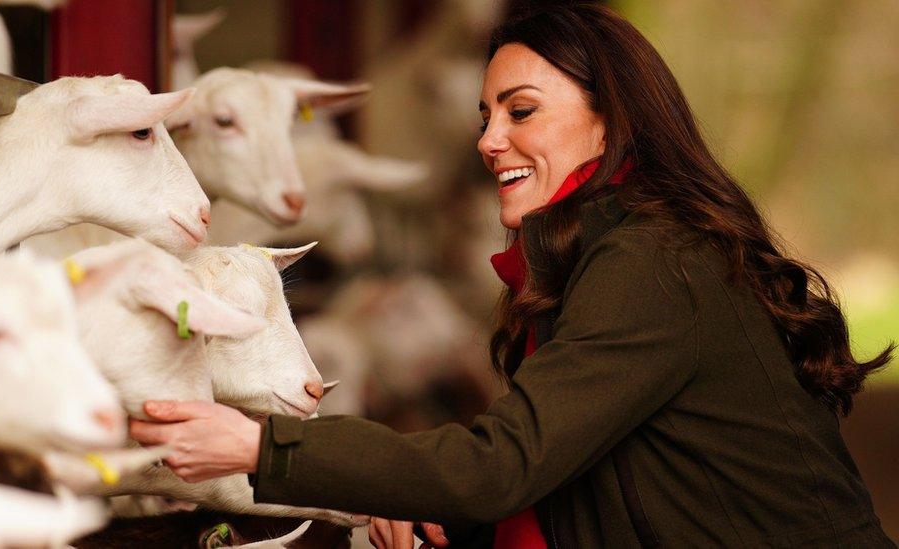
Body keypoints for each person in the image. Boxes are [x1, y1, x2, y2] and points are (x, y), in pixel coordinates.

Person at [130, 4, 895, 548]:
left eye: (520, 111)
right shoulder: (597, 254)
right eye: (487, 114)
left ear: (610, 119)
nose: (489, 139)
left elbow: (503, 465)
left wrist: (262, 447)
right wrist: (428, 504)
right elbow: (566, 469)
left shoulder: (655, 259)